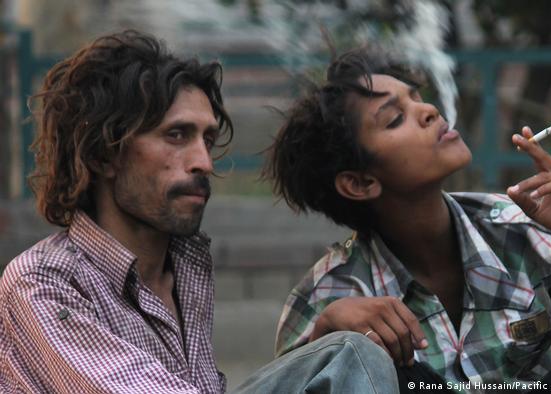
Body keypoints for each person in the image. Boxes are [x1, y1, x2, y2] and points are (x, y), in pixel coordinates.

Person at [265, 48, 551, 392]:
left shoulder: (511, 227)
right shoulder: (331, 292)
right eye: (395, 119)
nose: (429, 110)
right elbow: (283, 385)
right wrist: (330, 334)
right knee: (381, 369)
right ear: (360, 183)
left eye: (417, 98)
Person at [0, 31, 399, 393]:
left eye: (207, 139)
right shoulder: (42, 282)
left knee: (350, 355)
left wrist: (317, 352)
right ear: (105, 154)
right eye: (176, 135)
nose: (204, 162)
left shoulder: (185, 263)